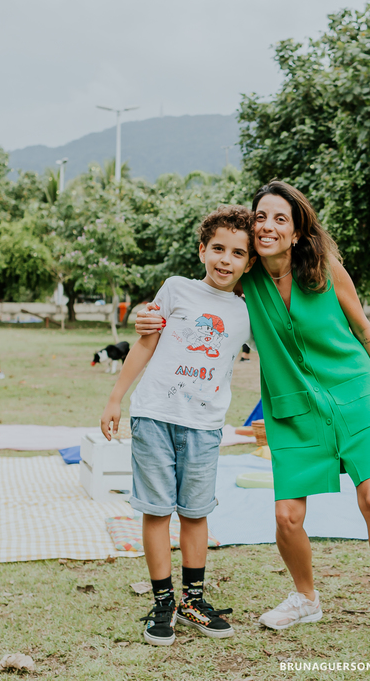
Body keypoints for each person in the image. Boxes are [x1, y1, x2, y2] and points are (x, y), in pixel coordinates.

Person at [136, 181, 370, 663]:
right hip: (295, 409)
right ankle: (306, 598)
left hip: (356, 397)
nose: (268, 226)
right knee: (286, 517)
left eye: (280, 219)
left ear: (296, 231)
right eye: (261, 217)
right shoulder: (246, 281)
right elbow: (197, 298)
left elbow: (364, 331)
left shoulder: (326, 270)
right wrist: (148, 318)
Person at [101, 205, 256, 647]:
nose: (226, 260)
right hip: (153, 417)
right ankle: (163, 603)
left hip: (205, 426)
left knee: (195, 512)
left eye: (238, 253)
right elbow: (145, 343)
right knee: (156, 509)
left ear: (249, 262)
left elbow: (278, 354)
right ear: (202, 249)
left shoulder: (247, 312)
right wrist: (116, 399)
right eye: (219, 249)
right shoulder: (176, 289)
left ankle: (193, 600)